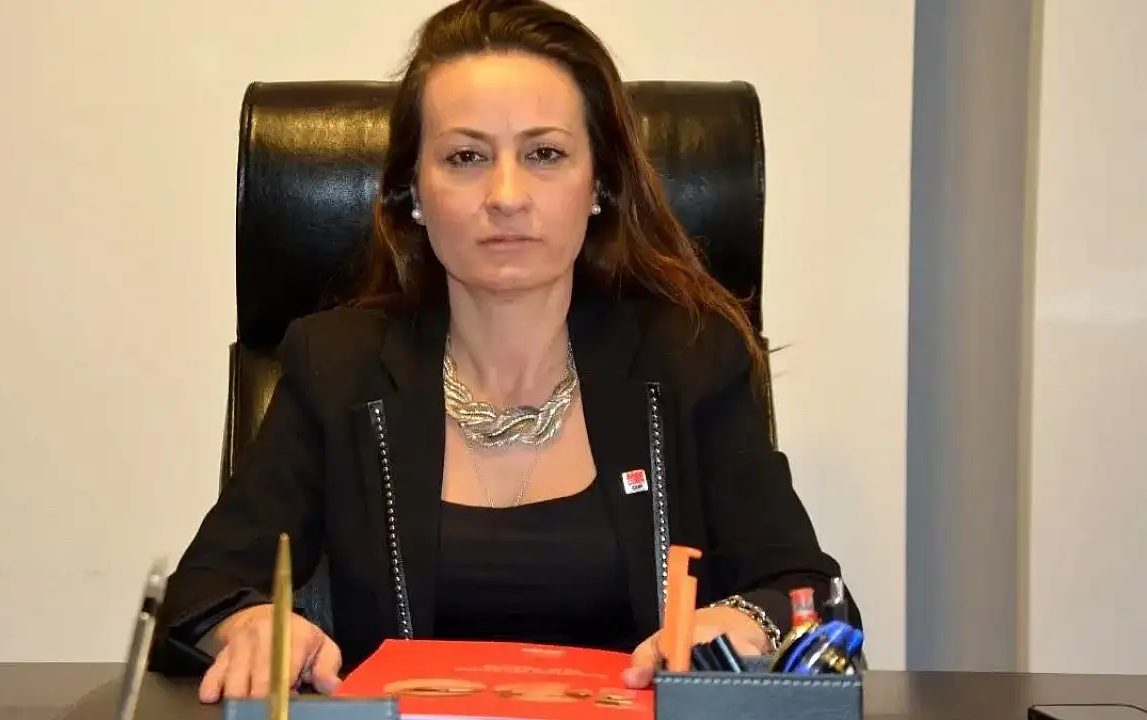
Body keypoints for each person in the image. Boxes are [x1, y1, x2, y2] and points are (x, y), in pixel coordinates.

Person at [150, 0, 862, 703]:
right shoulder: (337, 368)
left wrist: (743, 621)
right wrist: (249, 626)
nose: (507, 195)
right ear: (413, 192)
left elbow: (809, 592)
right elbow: (202, 592)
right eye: (466, 157)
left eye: (545, 154)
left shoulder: (688, 360)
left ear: (598, 184)